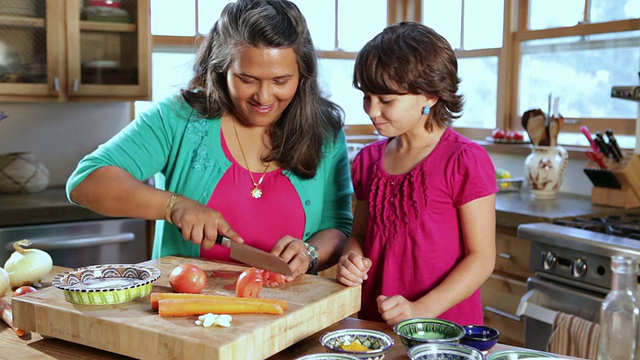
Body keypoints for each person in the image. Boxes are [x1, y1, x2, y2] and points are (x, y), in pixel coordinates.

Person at [66, 0, 353, 279]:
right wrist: (174, 205)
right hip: (186, 315)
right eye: (247, 79)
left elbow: (337, 226)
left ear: (303, 75)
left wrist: (310, 253)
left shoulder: (324, 131)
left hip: (292, 314)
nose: (264, 97)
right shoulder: (179, 118)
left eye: (280, 81)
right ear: (222, 68)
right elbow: (85, 182)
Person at [336, 22, 497, 326]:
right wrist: (351, 258)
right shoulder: (369, 159)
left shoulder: (464, 160)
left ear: (430, 96)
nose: (372, 110)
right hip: (376, 324)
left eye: (386, 100)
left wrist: (422, 309)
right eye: (367, 96)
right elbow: (359, 234)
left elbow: (481, 259)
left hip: (444, 331)